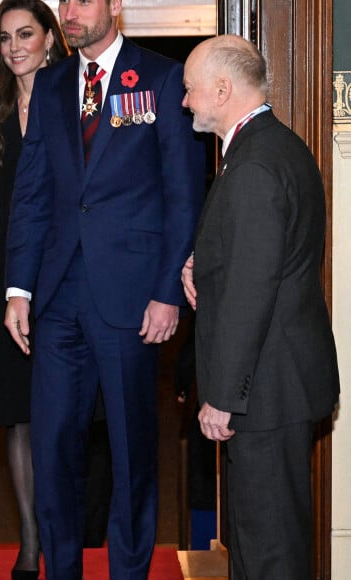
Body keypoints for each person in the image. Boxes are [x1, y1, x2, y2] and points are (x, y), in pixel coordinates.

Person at [3, 0, 205, 575]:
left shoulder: (163, 78)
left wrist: (169, 290)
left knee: (131, 452)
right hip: (58, 296)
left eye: (83, 1)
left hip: (132, 298)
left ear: (115, 6)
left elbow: (183, 194)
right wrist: (19, 288)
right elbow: (33, 192)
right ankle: (61, 568)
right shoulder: (50, 84)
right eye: (65, 1)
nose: (70, 11)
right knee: (53, 449)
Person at [181, 34, 340, 580]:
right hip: (279, 383)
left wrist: (221, 398)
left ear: (222, 89)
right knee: (267, 540)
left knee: (268, 550)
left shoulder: (252, 167)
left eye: (191, 90)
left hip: (265, 391)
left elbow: (253, 291)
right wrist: (202, 264)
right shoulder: (276, 147)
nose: (185, 103)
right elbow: (261, 255)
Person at [0, 1, 67, 577]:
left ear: (50, 37)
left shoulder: (74, 94)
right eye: (4, 37)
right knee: (19, 413)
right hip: (4, 274)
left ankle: (60, 534)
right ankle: (30, 543)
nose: (14, 46)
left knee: (60, 410)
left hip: (64, 272)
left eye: (26, 34)